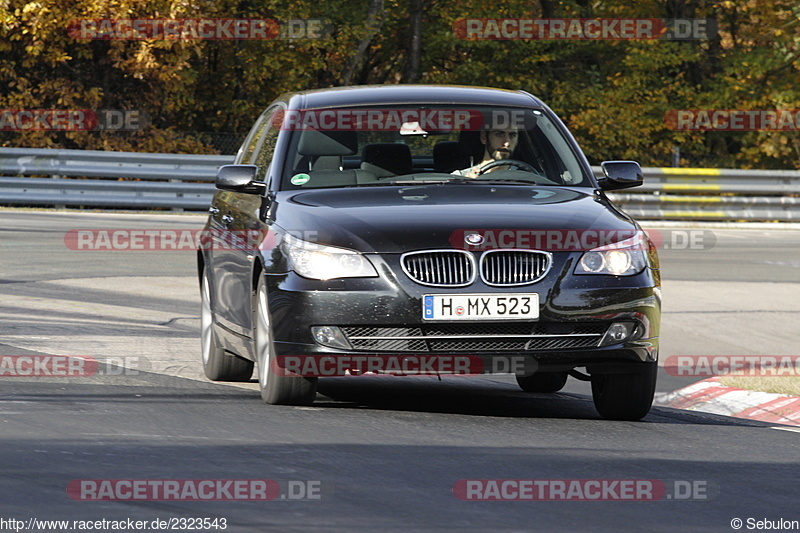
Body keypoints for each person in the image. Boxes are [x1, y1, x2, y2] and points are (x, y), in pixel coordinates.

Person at [452, 128, 519, 178]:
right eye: (499, 134)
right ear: (484, 137)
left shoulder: (526, 177)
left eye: (512, 136)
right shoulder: (460, 177)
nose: (507, 143)